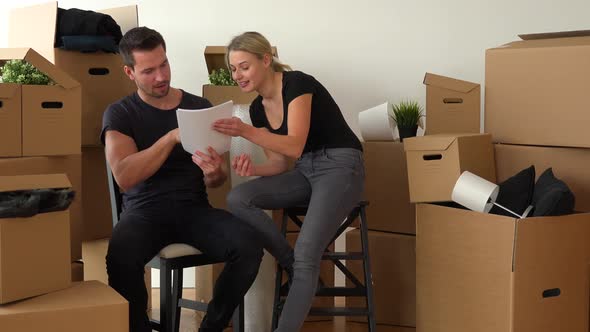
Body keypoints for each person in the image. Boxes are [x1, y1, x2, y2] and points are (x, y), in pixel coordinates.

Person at [101, 27, 263, 332]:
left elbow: (216, 180)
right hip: (144, 213)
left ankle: (211, 327)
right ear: (129, 72)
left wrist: (214, 172)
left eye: (164, 65)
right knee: (120, 256)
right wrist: (172, 137)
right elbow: (124, 176)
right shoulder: (120, 114)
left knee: (249, 245)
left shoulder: (198, 108)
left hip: (194, 210)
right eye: (148, 70)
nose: (161, 76)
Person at [214, 31, 365, 332]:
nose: (237, 75)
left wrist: (245, 132)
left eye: (243, 66)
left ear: (266, 60)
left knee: (308, 251)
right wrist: (252, 167)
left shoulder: (297, 84)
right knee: (238, 198)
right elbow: (281, 162)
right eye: (233, 69)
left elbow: (294, 144)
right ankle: (293, 265)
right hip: (306, 170)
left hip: (340, 165)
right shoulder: (257, 109)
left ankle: (299, 275)